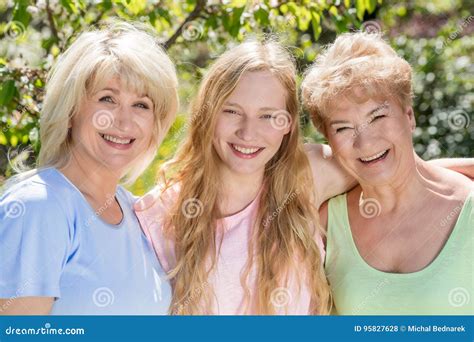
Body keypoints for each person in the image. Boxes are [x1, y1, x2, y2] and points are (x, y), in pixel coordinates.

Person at [0, 20, 179, 315]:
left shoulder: (138, 215)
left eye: (141, 105)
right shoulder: (37, 207)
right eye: (107, 99)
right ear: (71, 110)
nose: (124, 122)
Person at [302, 32, 473, 314]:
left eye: (377, 117)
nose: (365, 142)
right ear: (327, 140)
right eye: (342, 128)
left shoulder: (467, 208)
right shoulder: (325, 224)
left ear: (409, 116)